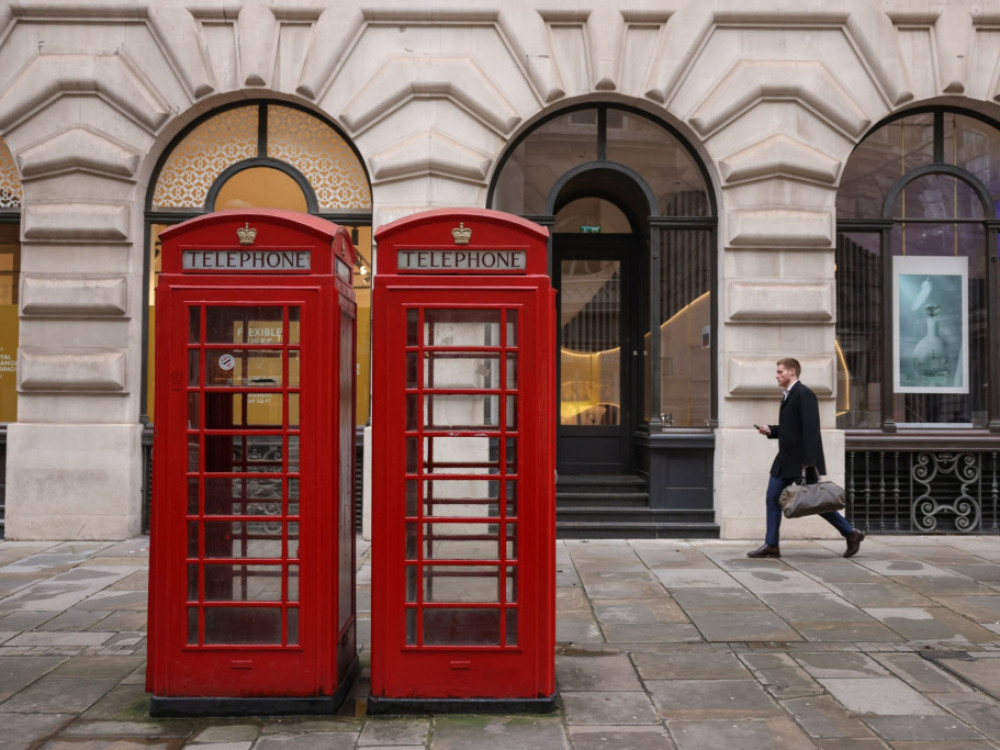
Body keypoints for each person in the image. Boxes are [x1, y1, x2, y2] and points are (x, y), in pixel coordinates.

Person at [748, 357, 865, 559]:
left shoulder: (804, 394)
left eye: (780, 372)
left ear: (792, 371)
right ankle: (771, 544)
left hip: (801, 460)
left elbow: (811, 430)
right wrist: (772, 430)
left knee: (817, 502)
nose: (776, 376)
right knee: (772, 497)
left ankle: (851, 533)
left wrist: (809, 462)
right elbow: (791, 428)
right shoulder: (789, 395)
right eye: (777, 372)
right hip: (785, 459)